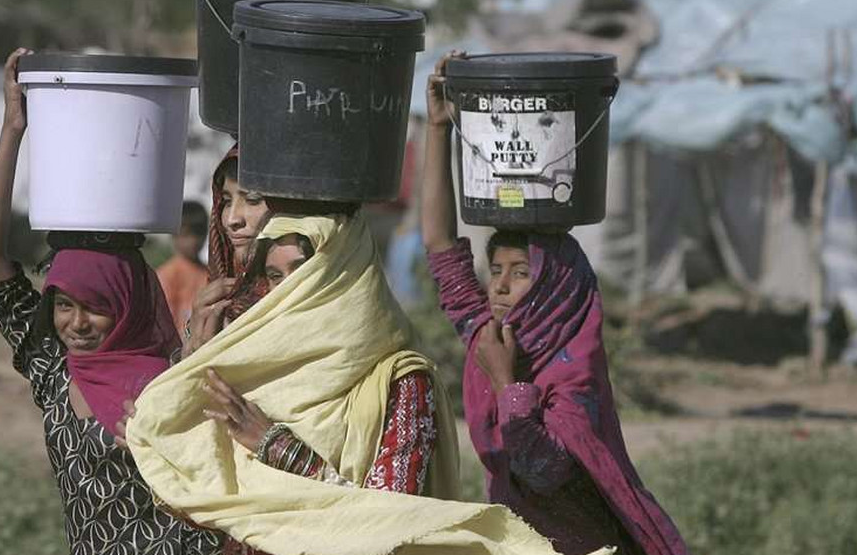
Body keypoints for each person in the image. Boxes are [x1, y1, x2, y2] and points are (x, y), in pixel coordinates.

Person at [125, 209, 580, 555]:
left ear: (343, 274)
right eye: (273, 276)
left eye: (304, 272)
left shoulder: (400, 379)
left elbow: (390, 519)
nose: (288, 290)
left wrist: (276, 446)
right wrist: (167, 438)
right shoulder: (252, 368)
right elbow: (211, 506)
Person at [421, 52, 688, 555]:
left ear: (554, 291)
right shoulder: (491, 337)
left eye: (520, 274)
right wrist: (438, 129)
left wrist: (505, 383)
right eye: (495, 271)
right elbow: (440, 245)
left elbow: (541, 469)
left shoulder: (572, 375)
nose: (498, 287)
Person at [0, 48, 220, 555]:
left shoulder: (171, 378)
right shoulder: (53, 368)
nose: (77, 323)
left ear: (128, 305)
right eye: (64, 305)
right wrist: (12, 129)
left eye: (95, 307)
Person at [182, 146, 269, 357]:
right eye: (227, 201)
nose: (231, 219)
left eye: (253, 200)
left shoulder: (312, 300)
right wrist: (192, 349)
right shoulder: (218, 303)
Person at [158, 201, 211, 326]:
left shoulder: (209, 273)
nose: (193, 241)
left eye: (198, 234)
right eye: (186, 234)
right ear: (174, 235)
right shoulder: (167, 275)